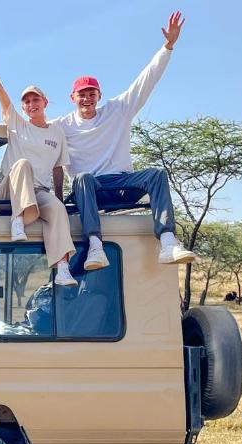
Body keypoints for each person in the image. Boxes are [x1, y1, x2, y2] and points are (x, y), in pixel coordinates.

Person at [52, 11, 195, 271]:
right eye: (81, 94)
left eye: (91, 94)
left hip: (120, 183)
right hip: (90, 190)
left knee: (156, 174)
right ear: (72, 97)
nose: (87, 98)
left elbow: (146, 81)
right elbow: (34, 132)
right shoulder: (61, 126)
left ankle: (167, 240)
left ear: (99, 95)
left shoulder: (118, 110)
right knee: (82, 177)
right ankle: (95, 245)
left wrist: (168, 46)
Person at [0, 38, 77, 287]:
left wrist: (59, 197)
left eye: (36, 100)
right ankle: (17, 221)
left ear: (45, 103)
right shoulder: (16, 123)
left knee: (57, 209)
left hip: (38, 195)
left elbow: (58, 168)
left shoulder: (56, 133)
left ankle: (62, 268)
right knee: (23, 164)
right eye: (26, 101)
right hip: (7, 193)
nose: (31, 104)